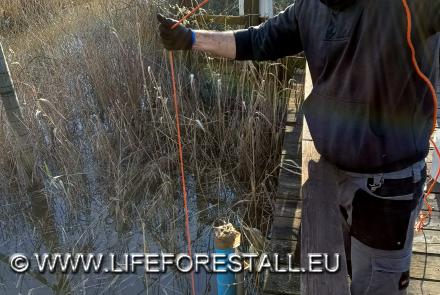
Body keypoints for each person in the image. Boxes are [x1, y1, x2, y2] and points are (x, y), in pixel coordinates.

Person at [157, 0, 440, 294]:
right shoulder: (309, 8)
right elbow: (256, 40)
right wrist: (191, 39)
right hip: (333, 174)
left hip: (386, 192)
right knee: (341, 270)